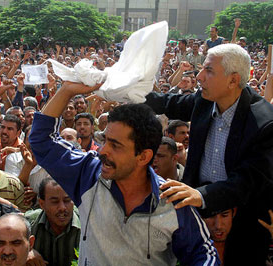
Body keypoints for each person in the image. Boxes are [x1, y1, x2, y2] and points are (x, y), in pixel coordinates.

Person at [29, 82, 219, 265]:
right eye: (105, 140)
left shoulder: (173, 202)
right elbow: (41, 140)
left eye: (115, 145)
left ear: (144, 156)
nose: (103, 151)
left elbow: (203, 253)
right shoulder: (88, 174)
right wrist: (66, 90)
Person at [145, 43, 273, 265]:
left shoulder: (264, 122)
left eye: (209, 71)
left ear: (233, 80)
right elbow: (168, 103)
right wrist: (128, 90)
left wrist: (203, 196)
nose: (200, 77)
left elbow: (247, 181)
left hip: (243, 225)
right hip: (198, 219)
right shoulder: (203, 101)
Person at [25, 178, 80, 266]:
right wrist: (25, 252)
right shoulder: (28, 223)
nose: (62, 207)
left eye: (67, 200)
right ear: (42, 204)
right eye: (55, 202)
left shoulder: (88, 225)